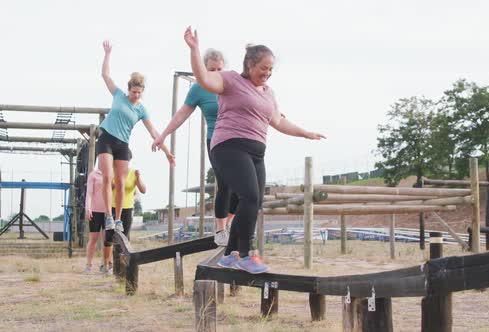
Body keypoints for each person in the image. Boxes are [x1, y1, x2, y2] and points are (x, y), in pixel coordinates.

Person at [182, 27, 325, 274]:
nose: (267, 73)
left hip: (256, 152)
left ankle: (229, 255)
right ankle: (246, 254)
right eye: (263, 68)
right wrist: (194, 50)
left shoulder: (269, 94)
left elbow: (279, 121)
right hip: (228, 146)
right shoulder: (230, 80)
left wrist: (305, 132)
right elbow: (204, 79)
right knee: (248, 195)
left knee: (254, 202)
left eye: (271, 70)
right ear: (249, 64)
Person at [152, 48, 237, 246]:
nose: (216, 73)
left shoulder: (232, 83)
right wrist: (163, 135)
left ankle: (230, 222)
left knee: (244, 187)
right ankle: (220, 229)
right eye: (211, 69)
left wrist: (274, 113)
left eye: (219, 69)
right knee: (224, 183)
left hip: (236, 138)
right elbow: (181, 114)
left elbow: (253, 99)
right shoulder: (199, 89)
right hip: (215, 141)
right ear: (203, 70)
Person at [98, 40, 175, 234]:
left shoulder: (141, 109)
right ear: (129, 88)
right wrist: (107, 54)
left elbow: (154, 132)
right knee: (108, 178)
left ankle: (117, 220)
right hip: (106, 138)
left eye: (139, 93)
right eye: (133, 92)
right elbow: (105, 75)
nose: (136, 96)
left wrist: (167, 152)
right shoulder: (118, 95)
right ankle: (108, 216)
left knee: (121, 182)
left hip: (122, 144)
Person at [104, 150, 146, 255]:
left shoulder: (133, 173)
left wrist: (138, 178)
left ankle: (121, 264)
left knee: (124, 236)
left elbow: (143, 190)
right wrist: (113, 185)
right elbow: (106, 189)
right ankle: (107, 263)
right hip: (113, 207)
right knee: (110, 237)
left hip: (127, 208)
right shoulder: (112, 172)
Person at [83, 159, 109, 274]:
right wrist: (88, 208)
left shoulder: (110, 173)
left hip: (107, 212)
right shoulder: (93, 175)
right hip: (95, 211)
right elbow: (89, 193)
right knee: (93, 239)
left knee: (106, 240)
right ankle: (88, 265)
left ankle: (105, 264)